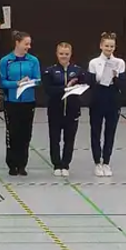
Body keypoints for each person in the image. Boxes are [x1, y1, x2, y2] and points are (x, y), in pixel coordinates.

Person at [0, 31, 41, 176]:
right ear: (17, 43)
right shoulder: (6, 61)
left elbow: (38, 79)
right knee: (12, 133)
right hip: (12, 102)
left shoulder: (33, 60)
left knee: (25, 133)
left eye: (29, 44)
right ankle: (12, 164)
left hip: (28, 101)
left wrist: (30, 82)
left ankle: (22, 164)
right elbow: (2, 81)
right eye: (26, 44)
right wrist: (17, 83)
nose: (29, 47)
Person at [87, 31, 126, 177]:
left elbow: (122, 84)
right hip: (98, 98)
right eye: (107, 46)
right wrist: (100, 78)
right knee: (96, 131)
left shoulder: (120, 63)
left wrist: (115, 77)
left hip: (113, 99)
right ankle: (97, 162)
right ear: (101, 46)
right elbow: (90, 83)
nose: (109, 49)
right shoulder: (94, 62)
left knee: (110, 131)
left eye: (112, 46)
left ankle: (107, 162)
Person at [43, 42, 84, 177]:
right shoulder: (50, 71)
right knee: (55, 139)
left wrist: (76, 88)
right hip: (55, 111)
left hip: (72, 111)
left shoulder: (77, 71)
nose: (64, 56)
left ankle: (65, 164)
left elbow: (83, 86)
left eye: (66, 54)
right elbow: (49, 90)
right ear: (56, 54)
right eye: (61, 54)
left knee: (69, 139)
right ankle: (56, 164)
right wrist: (65, 88)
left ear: (71, 54)